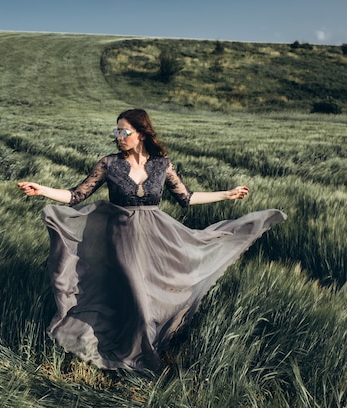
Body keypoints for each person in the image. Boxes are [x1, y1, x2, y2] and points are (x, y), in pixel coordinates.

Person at [18, 108, 286, 371]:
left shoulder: (162, 165)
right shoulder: (108, 163)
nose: (118, 136)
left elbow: (187, 198)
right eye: (117, 130)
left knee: (150, 296)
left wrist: (227, 194)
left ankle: (147, 352)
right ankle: (141, 358)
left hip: (156, 237)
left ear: (142, 134)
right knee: (137, 295)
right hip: (122, 239)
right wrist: (42, 190)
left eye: (124, 131)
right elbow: (76, 195)